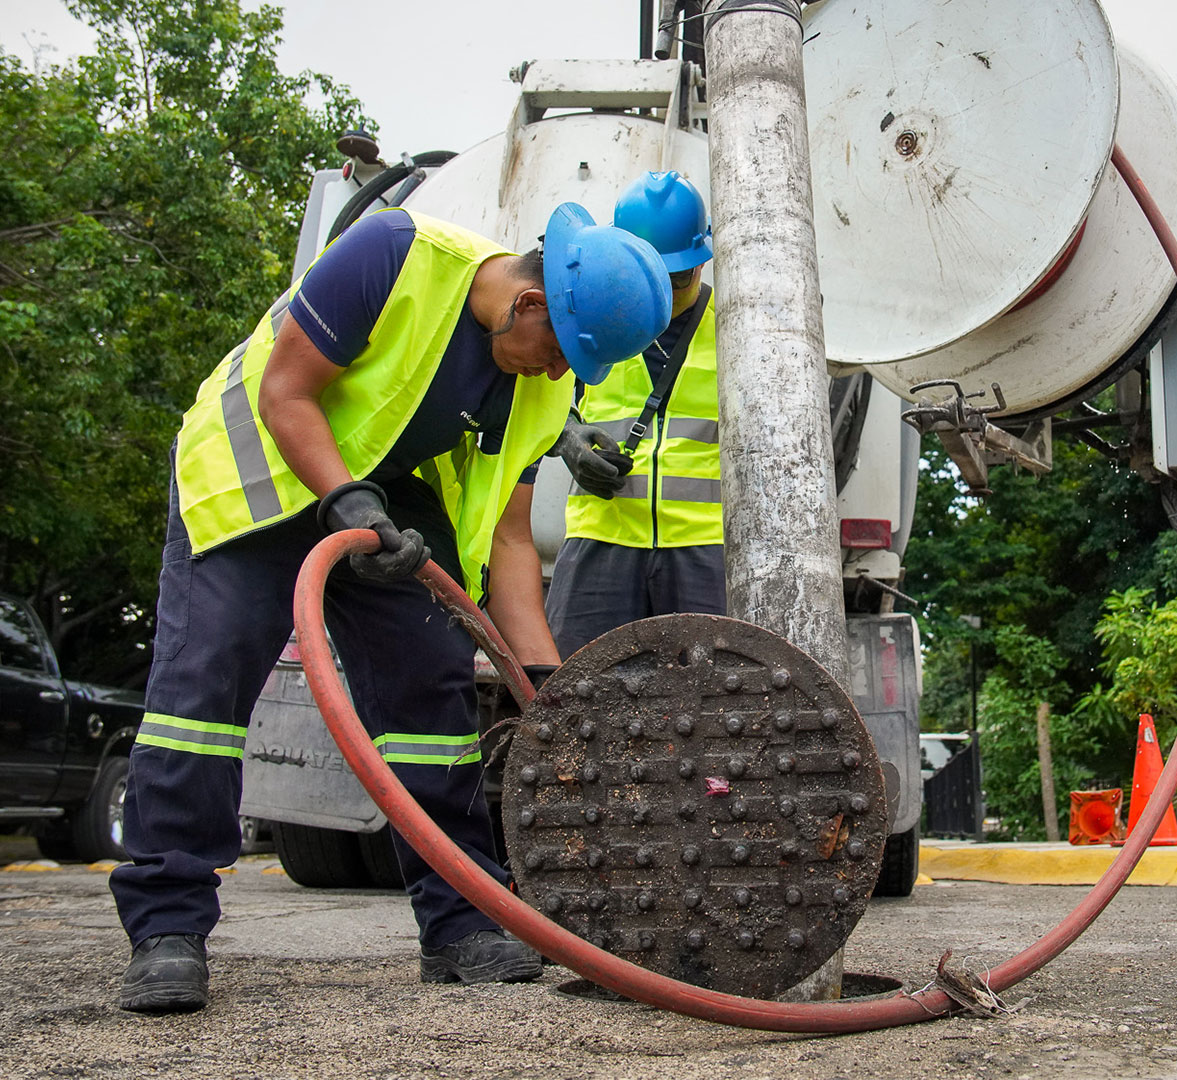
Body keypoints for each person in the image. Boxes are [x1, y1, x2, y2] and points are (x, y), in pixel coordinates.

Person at [110, 203, 671, 1013]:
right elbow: (287, 391)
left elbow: (513, 543)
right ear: (529, 303)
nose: (557, 375)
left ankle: (462, 923)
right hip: (258, 472)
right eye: (557, 352)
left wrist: (540, 678)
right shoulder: (393, 254)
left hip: (382, 502)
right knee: (205, 687)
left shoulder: (539, 395)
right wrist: (342, 499)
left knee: (429, 688)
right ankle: (167, 926)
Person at [544, 171, 723, 656]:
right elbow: (540, 398)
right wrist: (568, 440)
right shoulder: (588, 313)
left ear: (702, 262)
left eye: (678, 277)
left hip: (705, 547)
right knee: (574, 704)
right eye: (651, 277)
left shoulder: (735, 330)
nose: (665, 292)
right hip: (600, 536)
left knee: (720, 710)